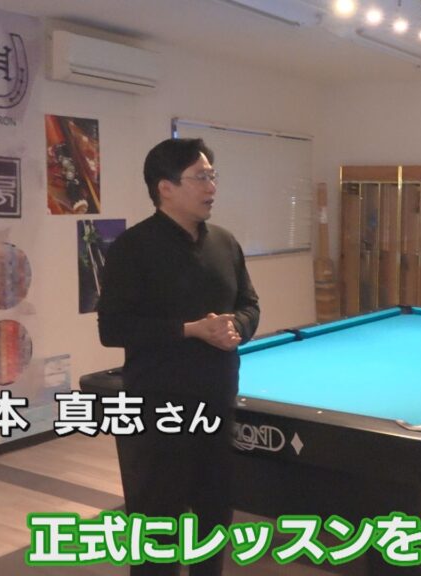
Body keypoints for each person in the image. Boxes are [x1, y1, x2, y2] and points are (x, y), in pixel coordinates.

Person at [97, 137, 260, 576]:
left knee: (214, 517)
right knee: (157, 526)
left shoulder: (225, 243)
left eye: (212, 176)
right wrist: (190, 330)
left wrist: (237, 326)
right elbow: (113, 328)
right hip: (158, 409)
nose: (211, 187)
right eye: (200, 177)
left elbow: (249, 304)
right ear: (165, 187)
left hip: (217, 401)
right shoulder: (132, 248)